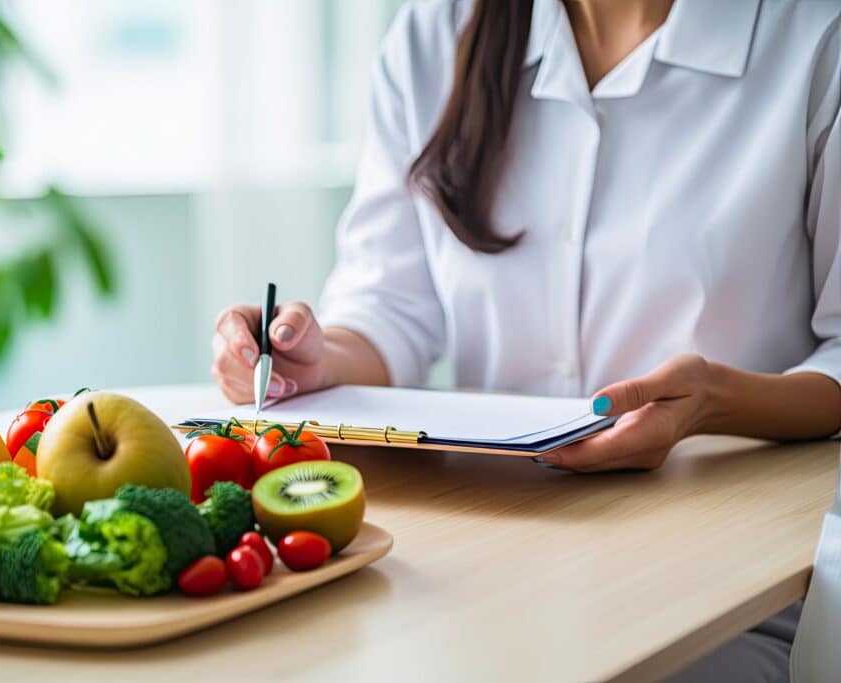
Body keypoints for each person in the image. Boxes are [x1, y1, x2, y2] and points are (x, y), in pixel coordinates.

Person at [212, 1, 841, 679]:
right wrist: (317, 358)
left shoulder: (813, 38)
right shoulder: (436, 31)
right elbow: (390, 304)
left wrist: (714, 400)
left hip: (729, 582)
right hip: (483, 559)